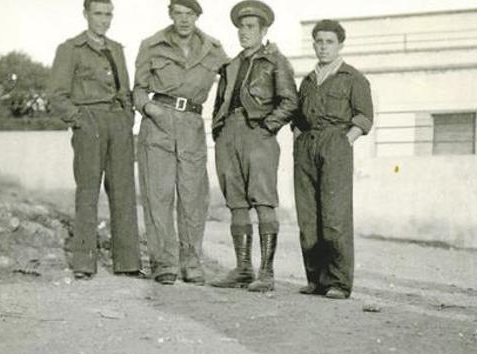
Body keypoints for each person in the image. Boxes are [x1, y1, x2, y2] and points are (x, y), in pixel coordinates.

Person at [133, 0, 229, 286]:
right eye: (179, 13)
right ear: (170, 14)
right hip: (158, 123)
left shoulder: (213, 48)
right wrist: (148, 108)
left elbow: (234, 78)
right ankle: (164, 263)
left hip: (192, 125)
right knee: (158, 195)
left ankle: (191, 261)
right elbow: (138, 89)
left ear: (197, 16)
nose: (184, 19)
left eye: (190, 14)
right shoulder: (151, 45)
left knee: (193, 197)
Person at [48, 0, 141, 280]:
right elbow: (56, 95)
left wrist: (127, 118)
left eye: (108, 14)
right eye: (98, 14)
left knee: (124, 192)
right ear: (86, 15)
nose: (104, 20)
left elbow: (124, 90)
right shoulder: (70, 49)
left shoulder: (116, 49)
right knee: (88, 192)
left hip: (118, 124)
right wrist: (80, 121)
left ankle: (128, 263)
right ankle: (84, 263)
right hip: (89, 121)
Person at [210, 0, 297, 292]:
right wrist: (218, 131)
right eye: (241, 27)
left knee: (263, 201)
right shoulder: (231, 65)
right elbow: (220, 102)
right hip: (228, 136)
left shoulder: (276, 61)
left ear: (263, 29)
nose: (244, 32)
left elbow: (290, 102)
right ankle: (243, 269)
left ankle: (267, 272)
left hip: (258, 136)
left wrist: (267, 127)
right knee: (236, 202)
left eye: (250, 27)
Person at [292, 19, 373, 300]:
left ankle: (338, 281)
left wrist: (344, 141)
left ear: (340, 45)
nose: (323, 47)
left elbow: (364, 117)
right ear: (313, 44)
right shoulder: (308, 80)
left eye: (329, 42)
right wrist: (298, 137)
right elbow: (298, 117)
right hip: (306, 148)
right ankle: (315, 279)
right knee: (308, 216)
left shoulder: (353, 78)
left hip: (335, 146)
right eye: (319, 41)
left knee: (334, 216)